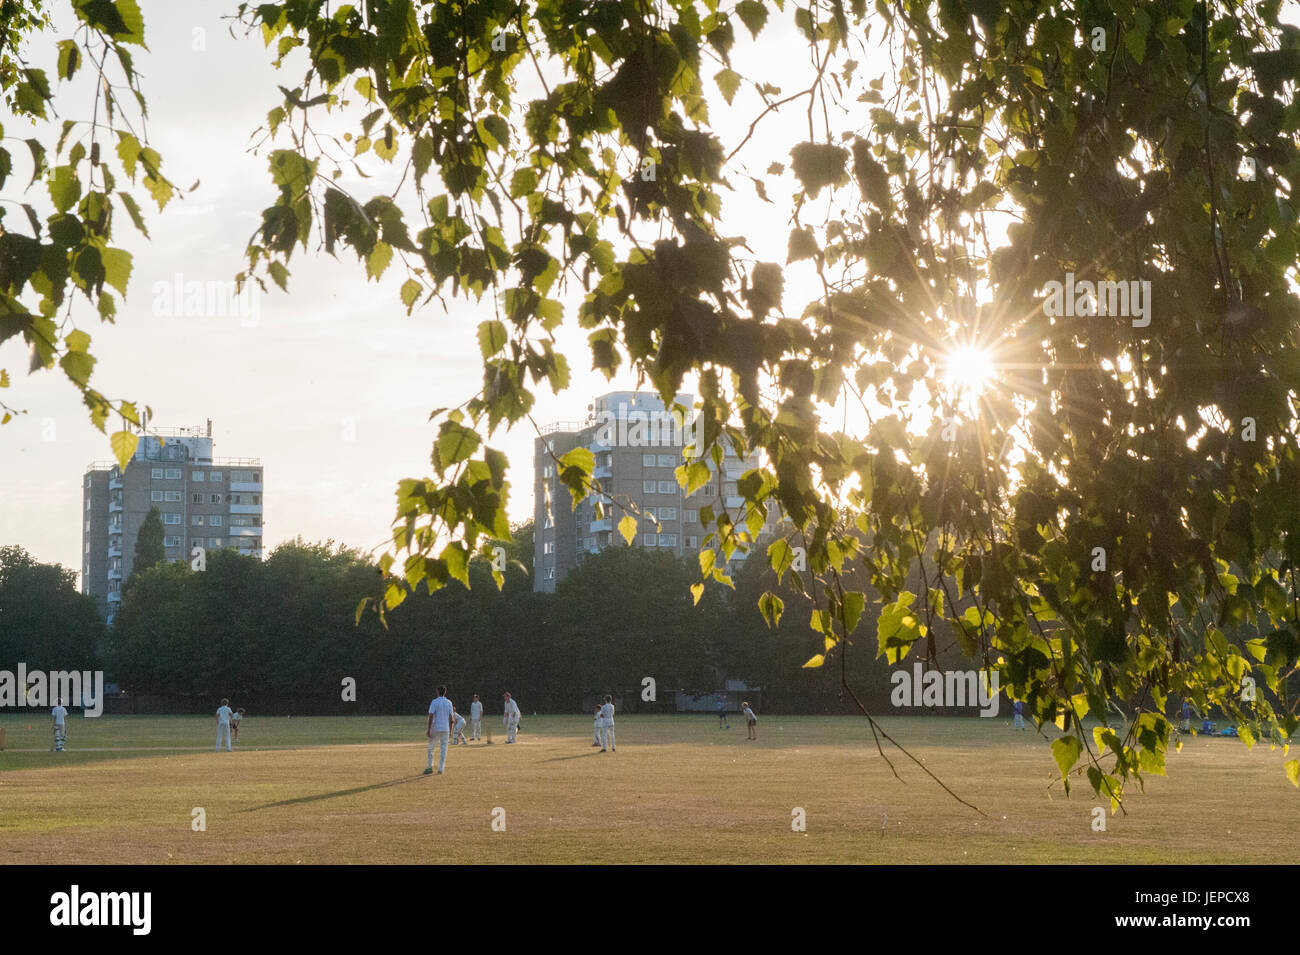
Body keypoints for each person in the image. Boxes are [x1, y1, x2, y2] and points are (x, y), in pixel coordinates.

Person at [425, 685, 454, 775]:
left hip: (436, 727)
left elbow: (430, 716)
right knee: (444, 749)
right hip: (445, 728)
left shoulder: (434, 702)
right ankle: (441, 768)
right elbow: (451, 718)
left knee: (431, 748)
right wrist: (450, 730)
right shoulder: (449, 702)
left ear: (437, 692)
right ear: (445, 692)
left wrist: (429, 729)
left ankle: (430, 767)